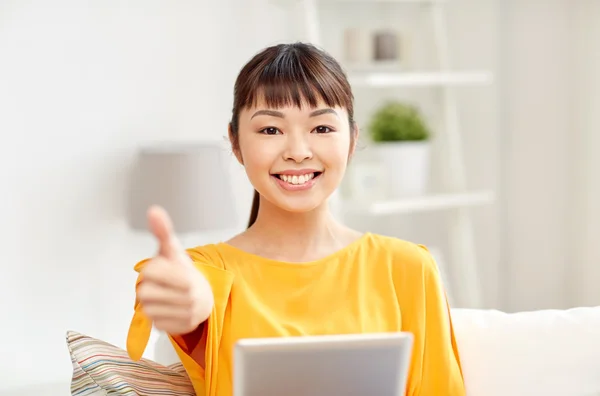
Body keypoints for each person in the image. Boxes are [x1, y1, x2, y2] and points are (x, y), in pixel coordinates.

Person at [126, 42, 465, 396]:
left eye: (321, 129)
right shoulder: (205, 271)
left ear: (352, 140)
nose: (298, 152)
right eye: (270, 130)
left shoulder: (407, 268)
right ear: (236, 142)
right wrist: (186, 305)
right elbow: (190, 303)